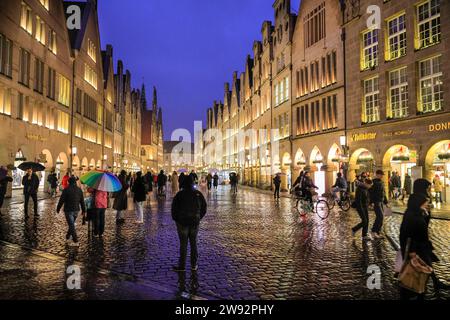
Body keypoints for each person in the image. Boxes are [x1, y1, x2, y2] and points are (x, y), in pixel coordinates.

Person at [171, 176, 207, 272]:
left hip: (182, 223)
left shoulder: (180, 194)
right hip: (194, 222)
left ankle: (182, 266)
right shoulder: (198, 194)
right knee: (193, 243)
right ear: (192, 183)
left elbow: (174, 209)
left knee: (183, 244)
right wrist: (198, 218)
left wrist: (177, 220)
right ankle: (194, 265)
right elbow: (204, 208)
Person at [56, 177, 86, 246]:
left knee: (71, 225)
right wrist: (84, 210)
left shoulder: (66, 189)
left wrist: (58, 208)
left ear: (69, 182)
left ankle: (75, 241)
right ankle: (67, 237)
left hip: (68, 210)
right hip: (76, 210)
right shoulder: (79, 190)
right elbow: (82, 201)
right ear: (75, 182)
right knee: (71, 224)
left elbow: (61, 200)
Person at [369, 170, 388, 239]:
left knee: (381, 217)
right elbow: (371, 193)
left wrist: (386, 202)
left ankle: (376, 232)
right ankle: (374, 231)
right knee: (380, 216)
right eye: (381, 174)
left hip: (381, 202)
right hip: (376, 202)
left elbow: (384, 192)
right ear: (377, 174)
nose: (382, 176)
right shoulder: (373, 182)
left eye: (382, 174)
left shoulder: (382, 182)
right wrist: (371, 202)